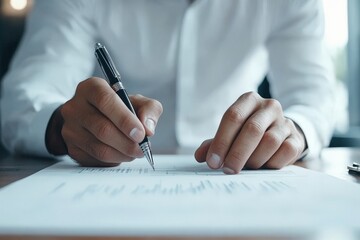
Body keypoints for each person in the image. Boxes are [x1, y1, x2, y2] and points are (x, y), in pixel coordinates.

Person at [0, 0, 335, 174]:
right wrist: (61, 124)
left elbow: (314, 99)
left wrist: (291, 131)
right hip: (106, 174)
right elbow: (22, 98)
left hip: (234, 172)